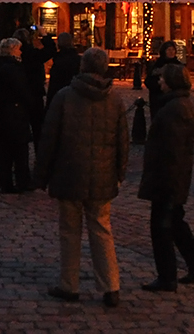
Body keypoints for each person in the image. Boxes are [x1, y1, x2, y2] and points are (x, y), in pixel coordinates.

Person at [36, 46, 128, 308]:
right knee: (101, 230)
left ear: (82, 67)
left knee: (70, 231)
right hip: (102, 176)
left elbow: (49, 138)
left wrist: (41, 175)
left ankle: (69, 283)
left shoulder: (65, 97)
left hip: (68, 173)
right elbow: (123, 141)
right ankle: (111, 286)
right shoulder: (115, 99)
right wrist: (120, 173)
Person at [138, 63, 194, 292]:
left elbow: (171, 150)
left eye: (162, 80)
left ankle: (167, 276)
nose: (159, 83)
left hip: (168, 178)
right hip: (172, 176)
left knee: (161, 227)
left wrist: (164, 181)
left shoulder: (174, 109)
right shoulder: (177, 105)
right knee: (176, 222)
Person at [0, 37, 38, 193]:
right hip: (15, 114)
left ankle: (6, 182)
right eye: (18, 49)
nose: (21, 52)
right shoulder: (13, 69)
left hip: (3, 113)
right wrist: (30, 104)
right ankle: (21, 181)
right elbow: (22, 92)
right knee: (19, 151)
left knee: (6, 152)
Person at [147, 40, 180, 118]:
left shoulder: (178, 65)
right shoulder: (158, 64)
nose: (171, 52)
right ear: (164, 51)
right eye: (169, 50)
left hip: (174, 98)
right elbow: (149, 81)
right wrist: (159, 85)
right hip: (158, 99)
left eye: (173, 50)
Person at [46, 32, 80, 107]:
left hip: (59, 99)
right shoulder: (78, 60)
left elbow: (53, 87)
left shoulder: (58, 61)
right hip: (75, 99)